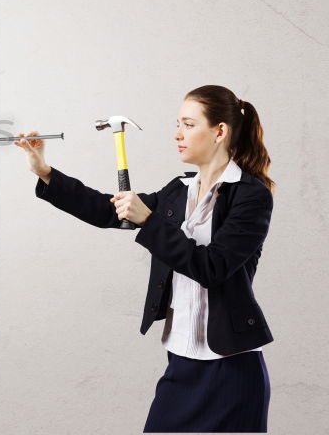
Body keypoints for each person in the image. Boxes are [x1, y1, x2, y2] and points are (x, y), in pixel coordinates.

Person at [14, 85, 275, 433]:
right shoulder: (177, 190)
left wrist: (149, 221)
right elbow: (109, 211)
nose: (177, 134)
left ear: (219, 132)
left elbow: (212, 267)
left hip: (232, 371)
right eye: (177, 124)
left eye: (187, 124)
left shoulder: (251, 195)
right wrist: (44, 170)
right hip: (181, 367)